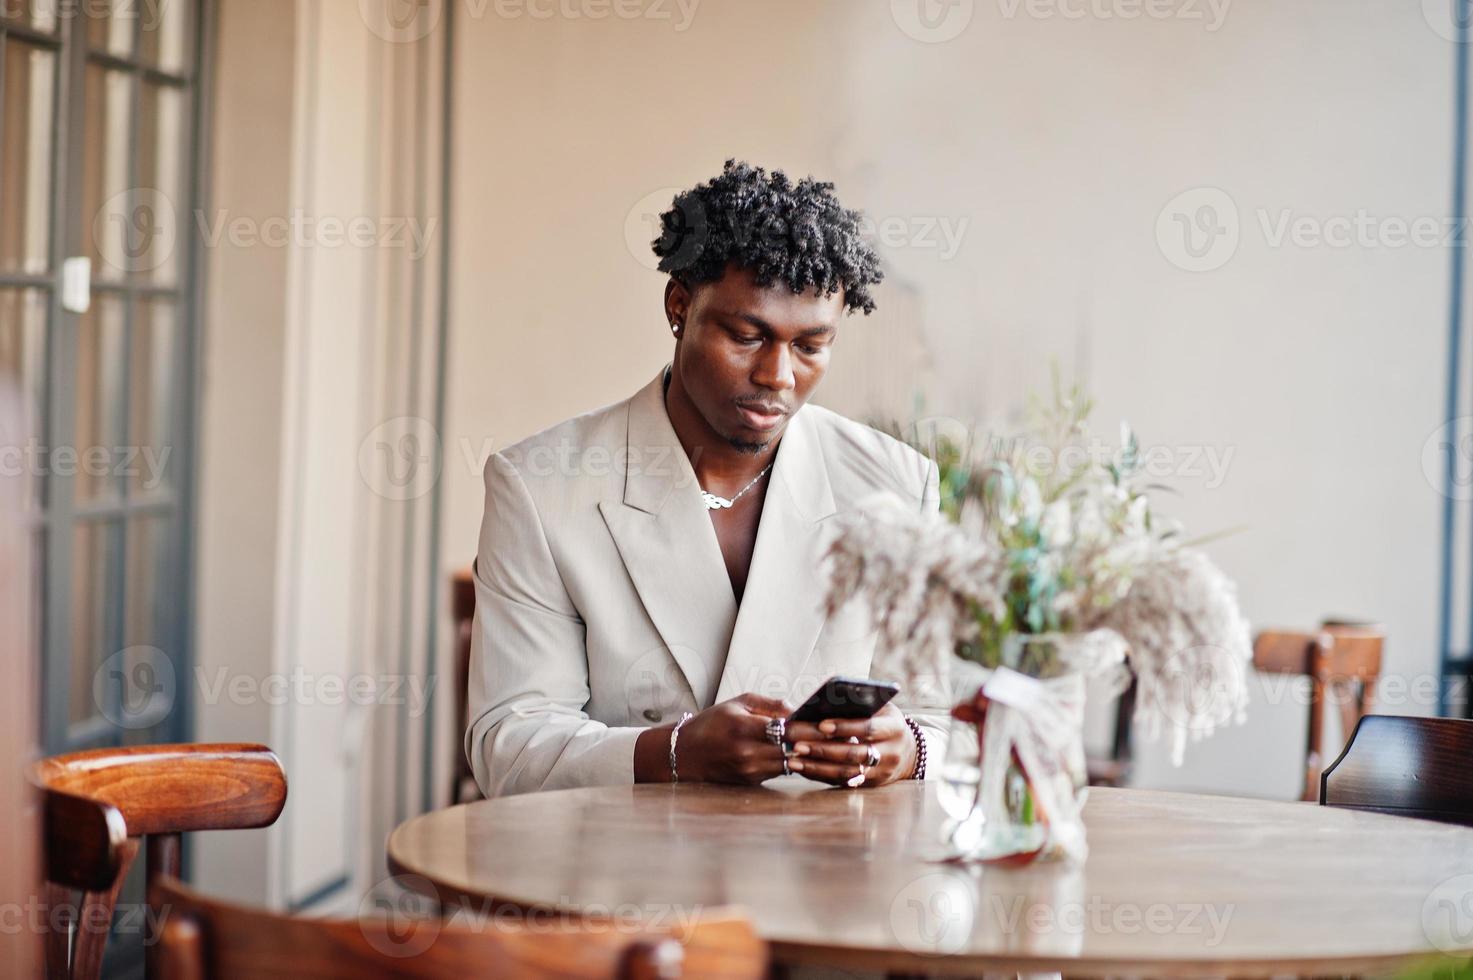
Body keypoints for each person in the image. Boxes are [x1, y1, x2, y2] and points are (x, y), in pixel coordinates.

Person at [465, 159, 949, 798]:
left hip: (827, 878)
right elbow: (511, 747)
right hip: (626, 878)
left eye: (810, 346)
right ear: (679, 307)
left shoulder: (893, 483)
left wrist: (909, 748)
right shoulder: (541, 486)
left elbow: (952, 720)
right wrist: (671, 752)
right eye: (747, 336)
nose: (778, 376)